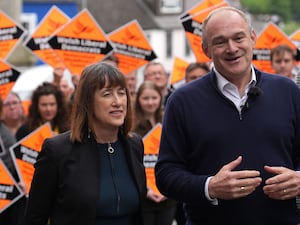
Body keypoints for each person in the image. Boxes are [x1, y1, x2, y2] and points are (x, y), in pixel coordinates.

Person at [155, 6, 300, 225]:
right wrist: (209, 187)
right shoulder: (182, 101)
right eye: (220, 42)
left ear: (253, 37)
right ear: (206, 50)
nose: (232, 48)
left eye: (238, 37)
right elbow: (166, 174)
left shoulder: (287, 91)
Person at [24, 62, 147, 225]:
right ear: (88, 101)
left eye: (122, 93)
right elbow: (35, 217)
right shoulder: (58, 150)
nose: (118, 101)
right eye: (107, 94)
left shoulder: (135, 145)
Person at [133, 80, 176, 225]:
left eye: (154, 98)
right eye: (145, 98)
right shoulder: (131, 125)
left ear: (160, 98)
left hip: (167, 195)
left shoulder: (169, 120)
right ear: (138, 99)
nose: (150, 102)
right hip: (143, 197)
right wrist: (146, 189)